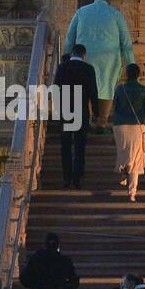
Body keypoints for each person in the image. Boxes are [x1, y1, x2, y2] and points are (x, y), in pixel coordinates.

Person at [64, 0, 135, 131]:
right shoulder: (116, 14)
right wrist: (131, 64)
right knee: (107, 88)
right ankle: (102, 123)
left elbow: (69, 38)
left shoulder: (81, 12)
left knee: (85, 88)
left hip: (84, 57)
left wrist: (66, 58)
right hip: (109, 59)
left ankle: (87, 120)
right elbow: (126, 42)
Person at [52, 44, 98, 189]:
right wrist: (96, 113)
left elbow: (55, 89)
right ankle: (77, 177)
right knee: (80, 146)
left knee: (65, 145)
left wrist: (56, 110)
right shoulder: (89, 69)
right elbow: (93, 92)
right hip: (81, 111)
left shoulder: (62, 67)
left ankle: (67, 177)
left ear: (72, 53)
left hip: (65, 111)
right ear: (84, 55)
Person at [111, 63, 145, 203]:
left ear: (126, 74)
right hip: (136, 126)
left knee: (123, 153)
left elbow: (115, 108)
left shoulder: (120, 89)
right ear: (138, 75)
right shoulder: (144, 90)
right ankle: (132, 192)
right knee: (136, 158)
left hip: (120, 126)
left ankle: (123, 173)